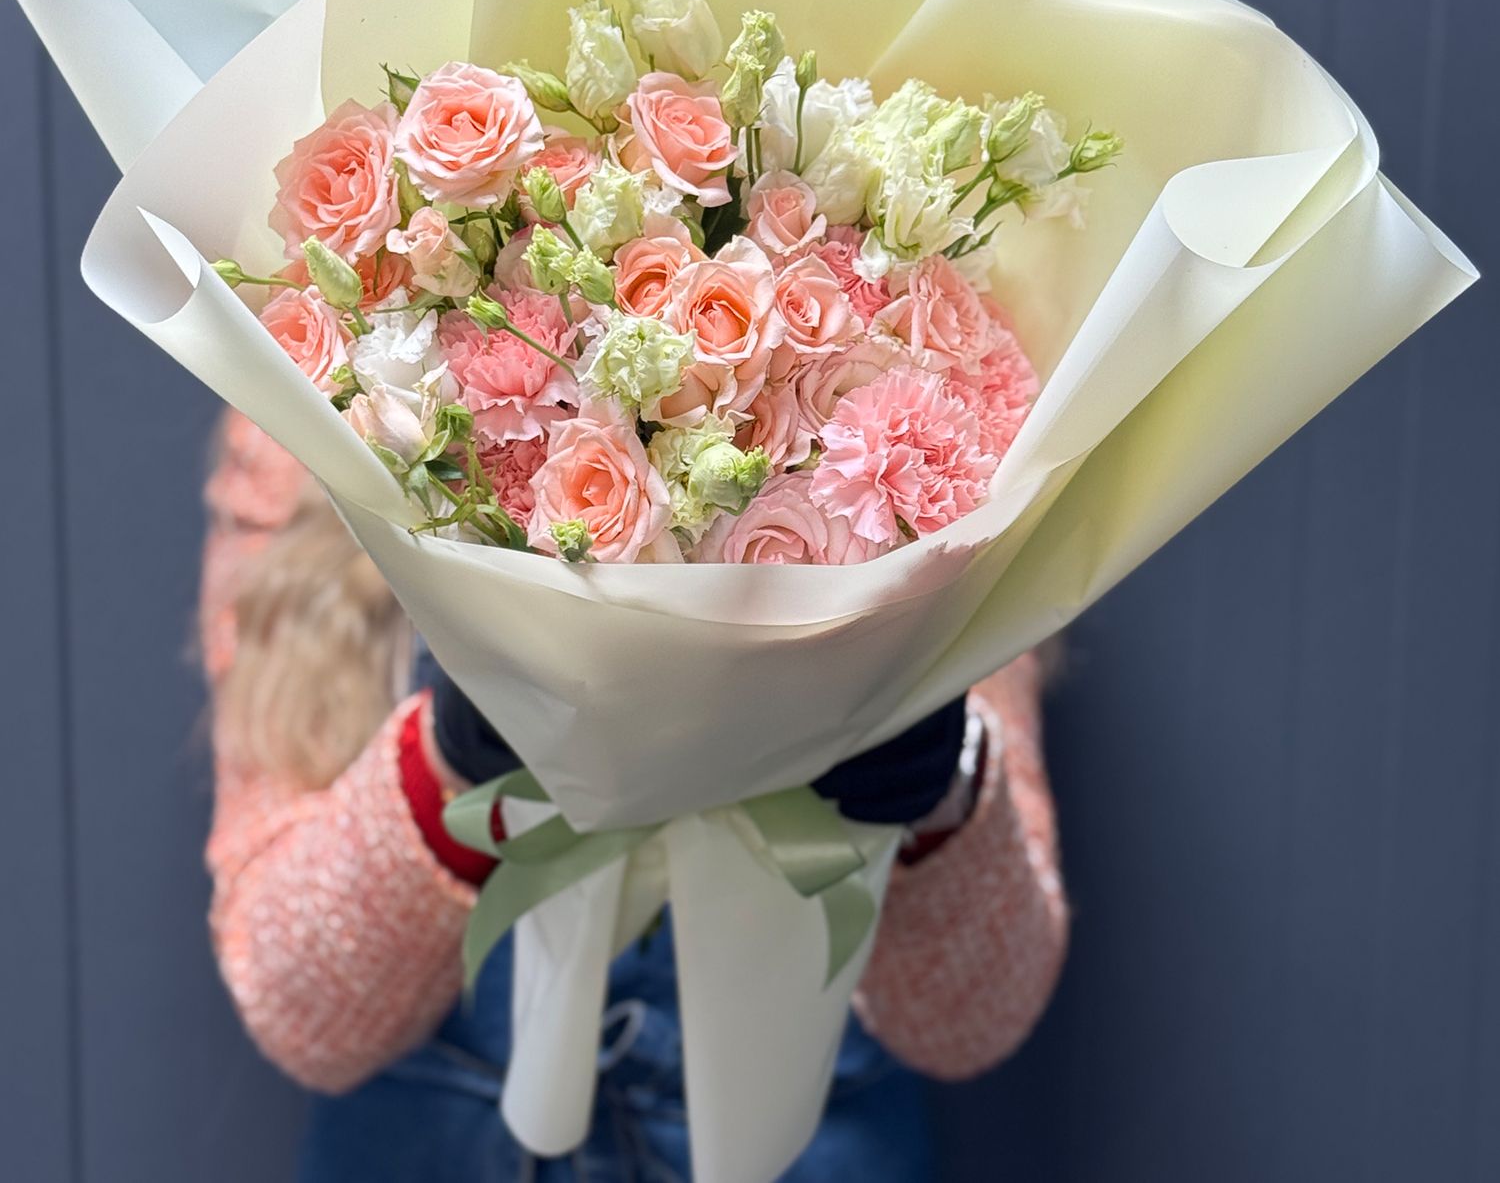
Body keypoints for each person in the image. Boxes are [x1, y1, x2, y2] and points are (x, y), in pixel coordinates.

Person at [201, 411, 1069, 1181]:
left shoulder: (922, 415)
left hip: (808, 1149)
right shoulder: (319, 404)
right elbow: (299, 1014)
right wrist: (452, 763)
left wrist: (931, 790)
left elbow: (973, 1022)